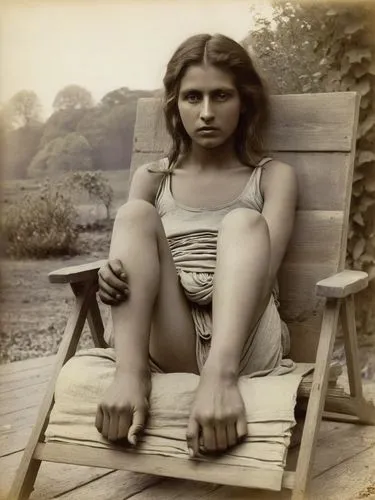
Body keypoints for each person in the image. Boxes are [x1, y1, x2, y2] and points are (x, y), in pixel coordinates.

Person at [95, 33, 298, 459]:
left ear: (244, 101)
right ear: (175, 104)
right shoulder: (153, 178)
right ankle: (130, 377)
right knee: (133, 215)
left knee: (243, 221)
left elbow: (263, 281)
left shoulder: (272, 177)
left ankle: (219, 381)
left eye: (221, 95)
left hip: (242, 333)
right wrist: (113, 274)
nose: (206, 113)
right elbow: (136, 256)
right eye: (192, 97)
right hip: (172, 334)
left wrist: (221, 369)